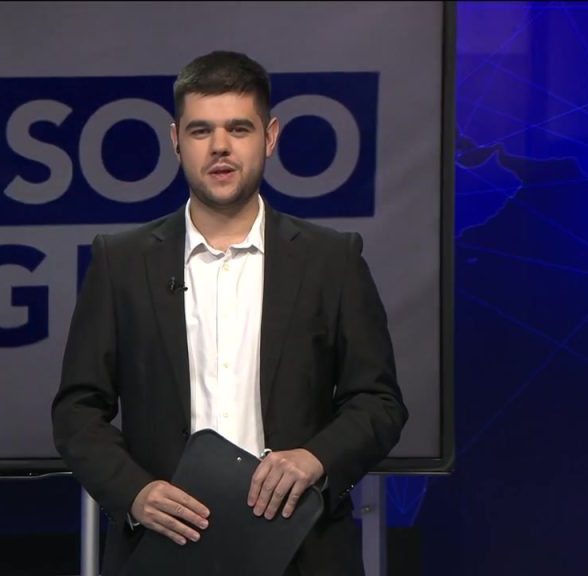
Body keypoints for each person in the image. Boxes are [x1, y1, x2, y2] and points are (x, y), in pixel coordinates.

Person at [51, 50, 408, 575]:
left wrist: (315, 459)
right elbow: (77, 410)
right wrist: (135, 492)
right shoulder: (121, 263)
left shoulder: (331, 260)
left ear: (270, 137)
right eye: (201, 131)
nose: (220, 146)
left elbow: (378, 401)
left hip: (301, 547)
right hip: (164, 547)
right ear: (176, 140)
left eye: (239, 128)